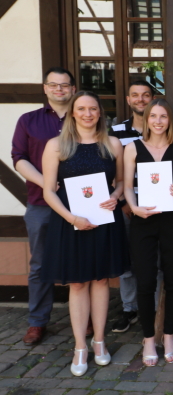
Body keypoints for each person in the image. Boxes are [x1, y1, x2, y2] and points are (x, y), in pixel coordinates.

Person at [40, 91, 128, 376]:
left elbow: (122, 182)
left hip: (104, 220)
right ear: (73, 113)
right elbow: (48, 191)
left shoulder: (112, 143)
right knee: (78, 284)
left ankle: (99, 341)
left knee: (101, 280)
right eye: (82, 109)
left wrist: (116, 196)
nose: (88, 113)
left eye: (93, 108)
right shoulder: (56, 146)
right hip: (70, 222)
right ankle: (80, 346)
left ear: (100, 112)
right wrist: (71, 217)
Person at [122, 98, 173, 365]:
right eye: (154, 116)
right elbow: (127, 185)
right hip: (144, 218)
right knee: (146, 280)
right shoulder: (132, 149)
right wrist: (134, 207)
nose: (159, 121)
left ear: (169, 120)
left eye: (163, 116)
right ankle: (149, 337)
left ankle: (169, 335)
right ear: (146, 119)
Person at [12, 67, 76, 346]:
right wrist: (46, 184)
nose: (59, 89)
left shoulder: (85, 117)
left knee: (78, 262)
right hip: (41, 204)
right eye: (54, 85)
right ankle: (37, 322)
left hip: (79, 204)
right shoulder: (29, 121)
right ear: (45, 88)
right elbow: (19, 158)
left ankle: (81, 318)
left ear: (73, 89)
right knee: (39, 264)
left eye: (64, 85)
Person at [109, 80, 156, 333]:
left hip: (157, 205)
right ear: (128, 100)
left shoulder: (160, 127)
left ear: (152, 98)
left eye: (145, 95)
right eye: (135, 96)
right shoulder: (116, 132)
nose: (140, 99)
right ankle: (130, 308)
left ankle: (157, 308)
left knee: (155, 258)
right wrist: (126, 202)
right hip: (127, 205)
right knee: (128, 259)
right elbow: (114, 171)